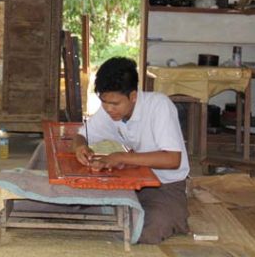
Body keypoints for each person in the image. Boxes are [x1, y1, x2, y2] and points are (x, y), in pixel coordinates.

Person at [73, 57, 189, 244]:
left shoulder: (159, 106)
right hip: (131, 181)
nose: (109, 109)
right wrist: (80, 147)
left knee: (150, 228)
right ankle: (117, 210)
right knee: (81, 197)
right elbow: (81, 135)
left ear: (133, 96)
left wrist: (122, 157)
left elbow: (172, 159)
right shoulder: (110, 110)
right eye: (104, 102)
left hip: (164, 186)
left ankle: (119, 212)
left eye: (115, 103)